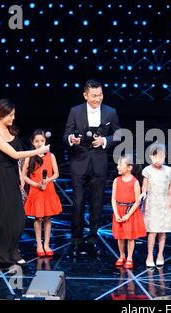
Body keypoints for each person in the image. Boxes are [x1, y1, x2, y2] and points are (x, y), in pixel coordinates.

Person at [0, 99, 50, 268]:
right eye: (10, 115)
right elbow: (14, 155)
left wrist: (21, 175)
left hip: (12, 174)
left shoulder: (8, 129)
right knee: (8, 218)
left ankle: (12, 250)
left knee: (17, 217)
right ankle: (2, 252)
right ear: (1, 115)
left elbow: (17, 154)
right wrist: (39, 151)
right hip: (2, 177)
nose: (13, 118)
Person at [63, 79, 121, 255]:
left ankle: (93, 237)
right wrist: (71, 139)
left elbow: (119, 134)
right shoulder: (75, 111)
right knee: (78, 202)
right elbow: (66, 134)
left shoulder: (111, 112)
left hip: (99, 163)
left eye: (100, 95)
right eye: (94, 96)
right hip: (79, 162)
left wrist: (104, 140)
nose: (98, 99)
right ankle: (76, 238)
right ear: (85, 95)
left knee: (96, 202)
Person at [22, 129, 62, 257]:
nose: (40, 143)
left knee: (48, 218)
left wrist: (47, 180)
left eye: (42, 141)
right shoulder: (30, 156)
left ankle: (46, 244)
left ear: (46, 142)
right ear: (33, 143)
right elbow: (24, 175)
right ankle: (39, 244)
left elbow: (56, 173)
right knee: (38, 218)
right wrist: (36, 184)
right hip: (36, 192)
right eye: (37, 141)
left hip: (48, 191)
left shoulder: (51, 156)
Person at [140, 143, 171, 267]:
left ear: (165, 156)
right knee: (152, 231)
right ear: (150, 157)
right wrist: (143, 193)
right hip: (151, 203)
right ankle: (150, 255)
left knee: (162, 231)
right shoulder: (147, 170)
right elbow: (144, 185)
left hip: (164, 203)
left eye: (161, 157)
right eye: (155, 157)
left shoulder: (169, 170)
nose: (158, 160)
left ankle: (160, 254)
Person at [111, 155, 146, 269]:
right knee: (120, 236)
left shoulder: (135, 182)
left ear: (129, 167)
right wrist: (116, 213)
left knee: (130, 237)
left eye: (120, 164)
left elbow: (137, 201)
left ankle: (130, 257)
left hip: (130, 212)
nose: (118, 167)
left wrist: (128, 215)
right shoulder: (116, 181)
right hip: (119, 211)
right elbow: (113, 199)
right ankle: (122, 255)